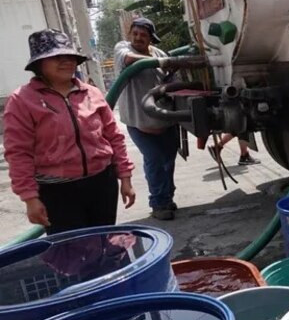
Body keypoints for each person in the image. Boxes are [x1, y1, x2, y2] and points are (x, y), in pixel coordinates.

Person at [4, 29, 136, 234]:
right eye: (57, 57)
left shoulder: (92, 93)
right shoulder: (22, 100)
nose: (67, 62)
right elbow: (18, 153)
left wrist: (125, 178)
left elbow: (114, 137)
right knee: (72, 255)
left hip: (101, 184)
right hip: (57, 192)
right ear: (39, 64)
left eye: (70, 57)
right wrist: (30, 198)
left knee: (104, 243)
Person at [114, 17, 178, 220]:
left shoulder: (159, 54)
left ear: (151, 39)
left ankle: (167, 197)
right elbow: (127, 59)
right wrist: (158, 63)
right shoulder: (123, 48)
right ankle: (158, 203)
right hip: (138, 122)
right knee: (155, 159)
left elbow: (174, 79)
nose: (138, 38)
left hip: (165, 120)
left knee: (169, 161)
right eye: (135, 33)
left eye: (143, 35)